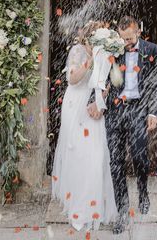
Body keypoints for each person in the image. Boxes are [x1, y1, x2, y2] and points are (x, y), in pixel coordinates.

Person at [88, 16, 157, 234]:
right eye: (123, 39)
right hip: (115, 110)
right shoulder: (114, 47)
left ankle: (143, 192)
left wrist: (152, 111)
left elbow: (155, 80)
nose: (126, 43)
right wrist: (96, 101)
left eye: (129, 38)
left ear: (138, 32)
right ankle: (122, 210)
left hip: (139, 109)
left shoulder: (151, 49)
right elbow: (101, 76)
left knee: (140, 156)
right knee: (116, 162)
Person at [51, 21, 118, 231]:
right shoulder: (77, 51)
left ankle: (95, 203)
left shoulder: (103, 53)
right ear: (88, 40)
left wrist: (101, 102)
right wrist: (89, 61)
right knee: (78, 153)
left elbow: (106, 82)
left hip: (92, 106)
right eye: (93, 42)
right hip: (75, 106)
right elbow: (72, 79)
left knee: (97, 154)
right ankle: (78, 203)